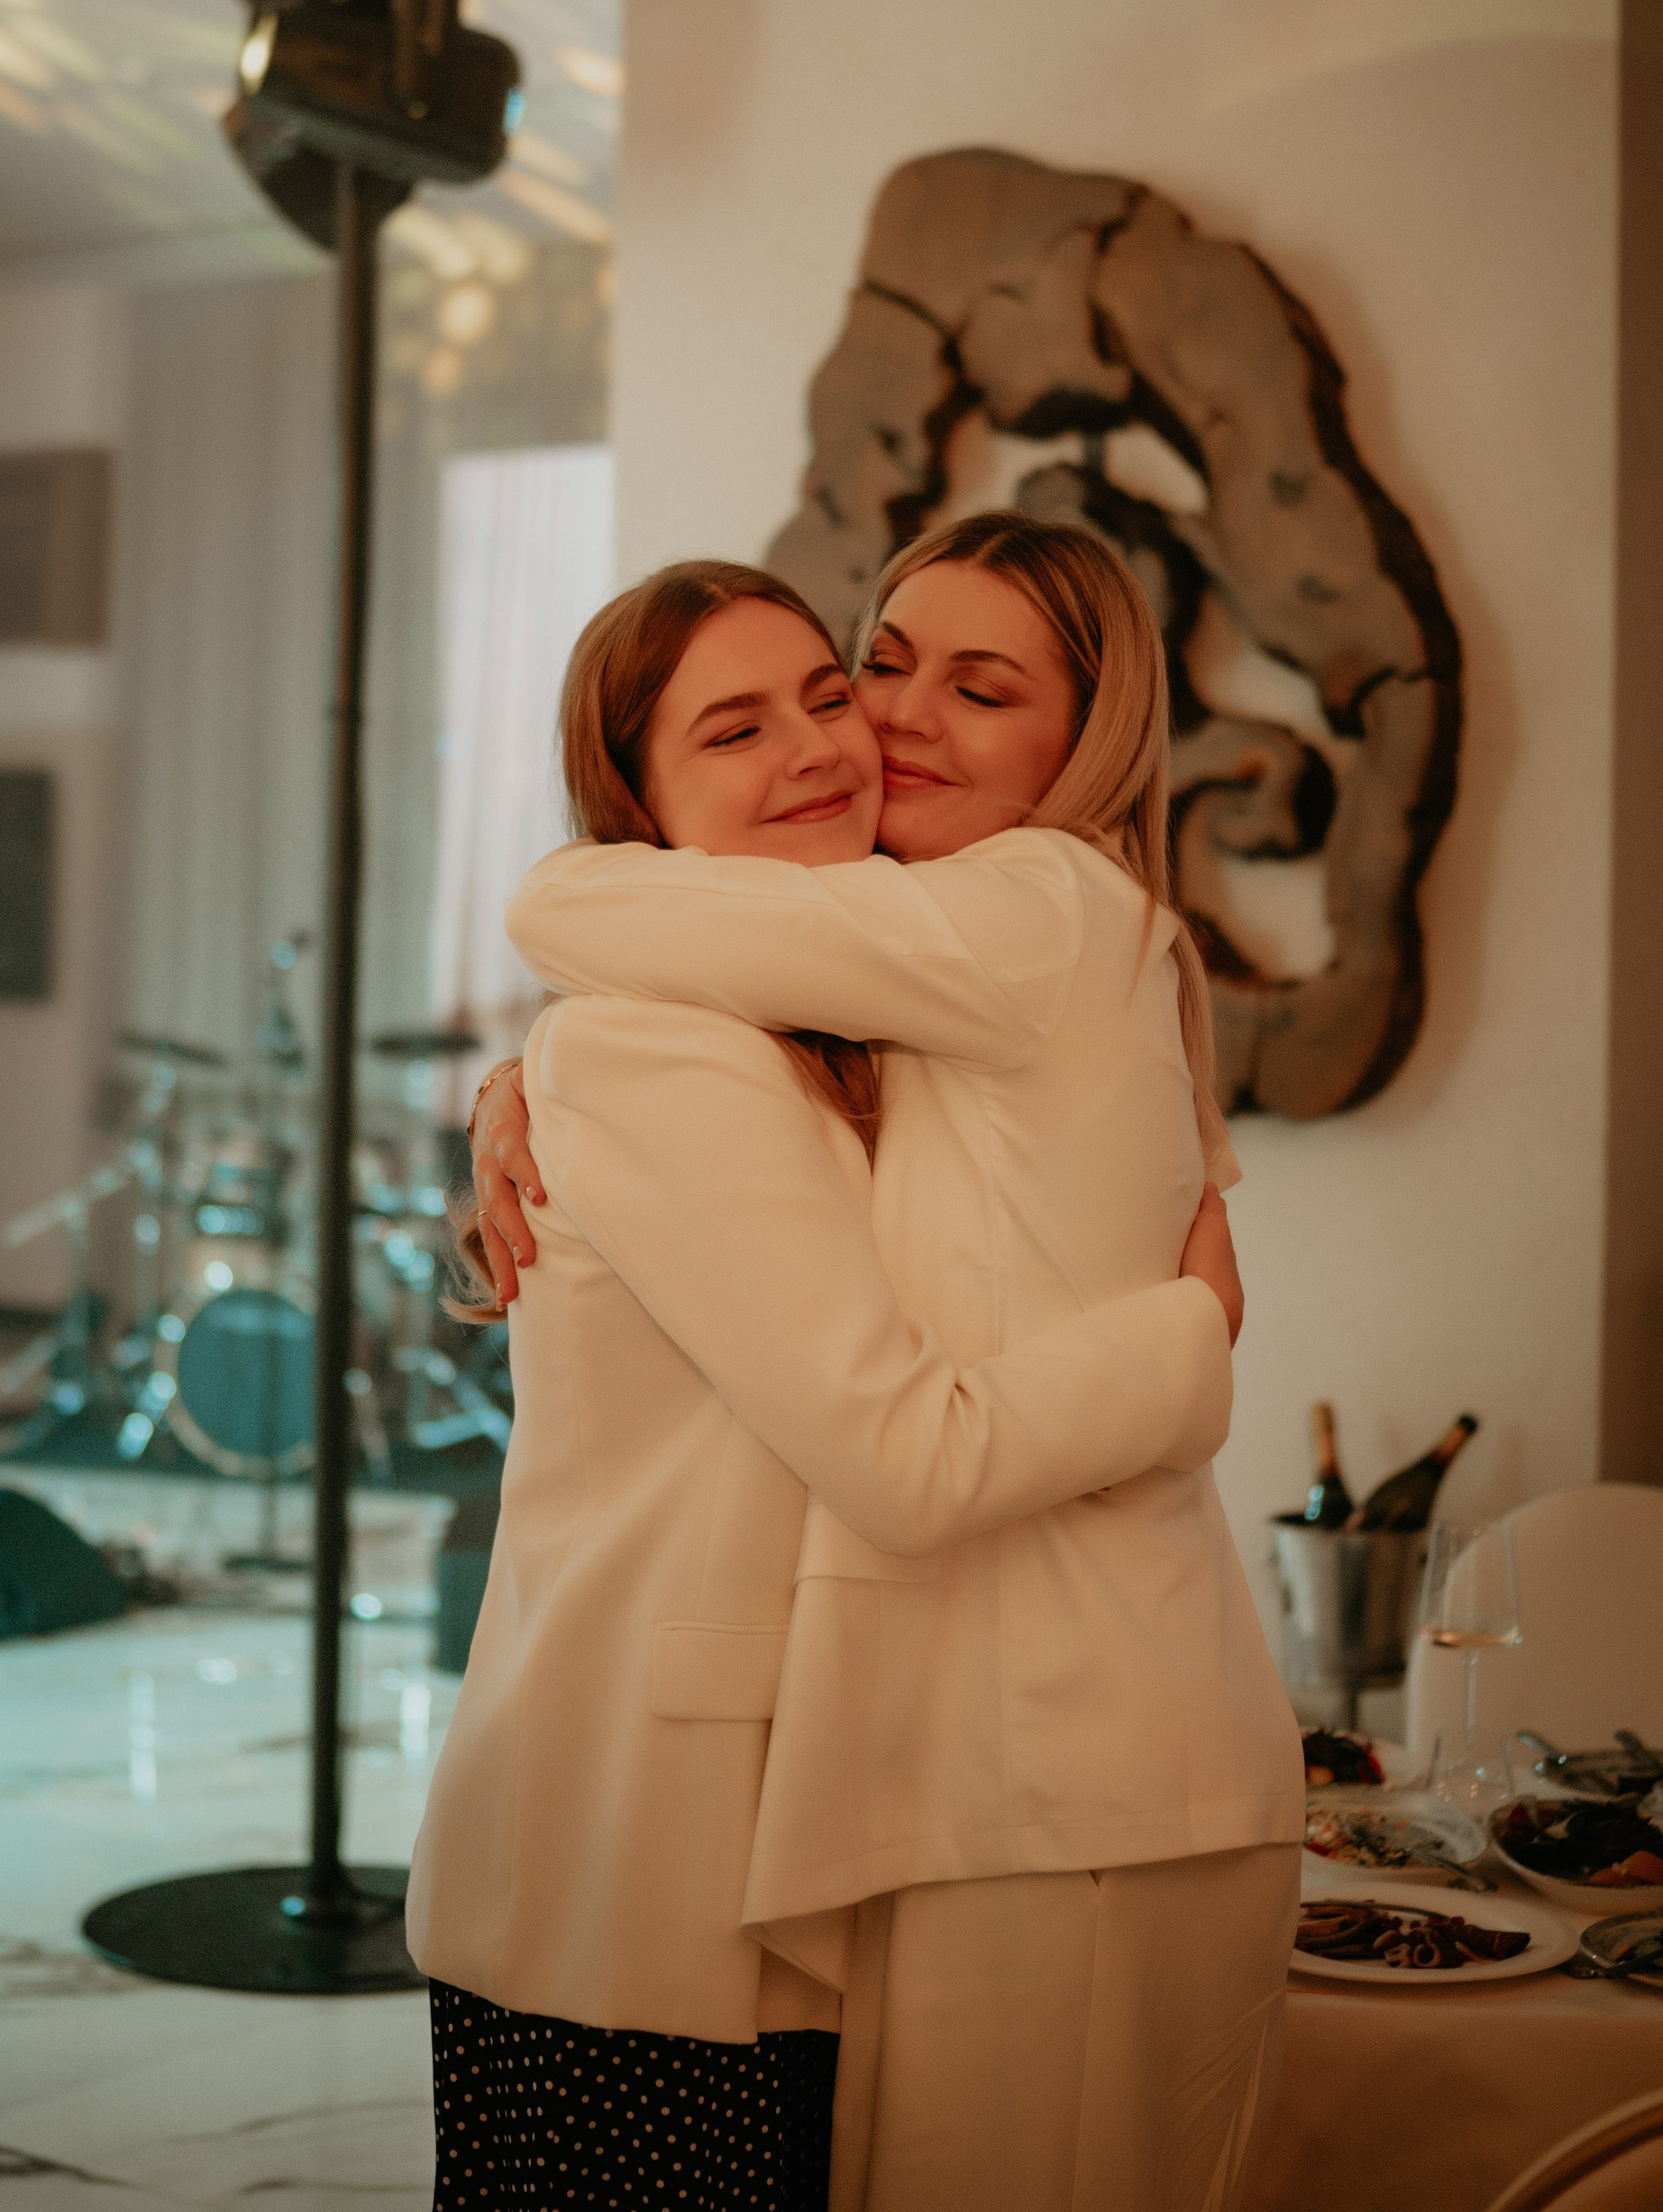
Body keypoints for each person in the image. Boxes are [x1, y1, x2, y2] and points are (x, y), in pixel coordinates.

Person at [476, 512, 1303, 2212]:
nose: (881, 725)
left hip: (1058, 1757)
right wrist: (532, 1074)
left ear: (1088, 741)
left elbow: (589, 917)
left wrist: (555, 981)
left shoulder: (1030, 909)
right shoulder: (860, 999)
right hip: (801, 1802)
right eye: (887, 665)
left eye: (979, 690)